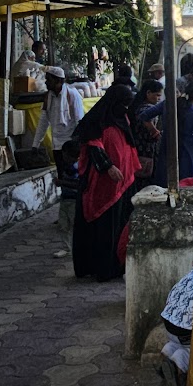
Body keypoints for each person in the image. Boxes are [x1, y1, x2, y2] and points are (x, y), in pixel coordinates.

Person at [71, 82, 140, 280]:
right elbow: (94, 147)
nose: (126, 107)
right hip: (102, 184)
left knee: (120, 225)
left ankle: (117, 264)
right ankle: (101, 268)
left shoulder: (122, 118)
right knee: (104, 227)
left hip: (124, 182)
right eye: (123, 103)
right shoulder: (96, 121)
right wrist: (108, 166)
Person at [32, 67, 86, 155]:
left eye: (49, 80)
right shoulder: (48, 98)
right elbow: (43, 122)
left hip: (70, 146)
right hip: (56, 146)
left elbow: (79, 121)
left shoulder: (72, 95)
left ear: (58, 81)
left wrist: (78, 144)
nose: (46, 82)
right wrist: (35, 144)